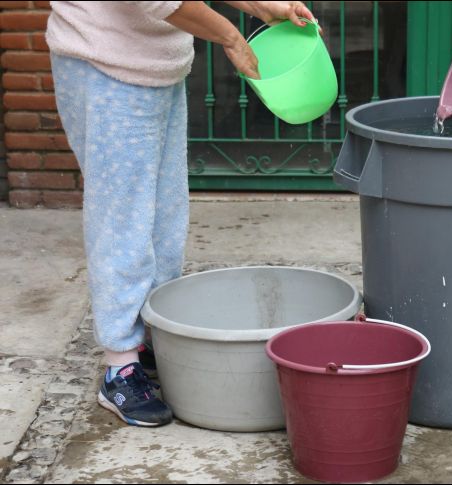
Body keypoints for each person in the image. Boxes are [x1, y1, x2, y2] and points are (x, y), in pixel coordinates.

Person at [46, 1, 316, 427]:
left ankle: (151, 332)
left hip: (157, 67)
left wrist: (265, 7)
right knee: (124, 219)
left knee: (164, 212)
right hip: (105, 66)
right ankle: (120, 365)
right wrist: (230, 35)